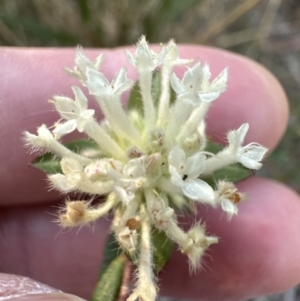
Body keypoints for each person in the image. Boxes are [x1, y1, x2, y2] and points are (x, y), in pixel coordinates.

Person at [0, 44, 299, 301]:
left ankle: (144, 282)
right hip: (140, 181)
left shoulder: (181, 170)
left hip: (164, 183)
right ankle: (143, 283)